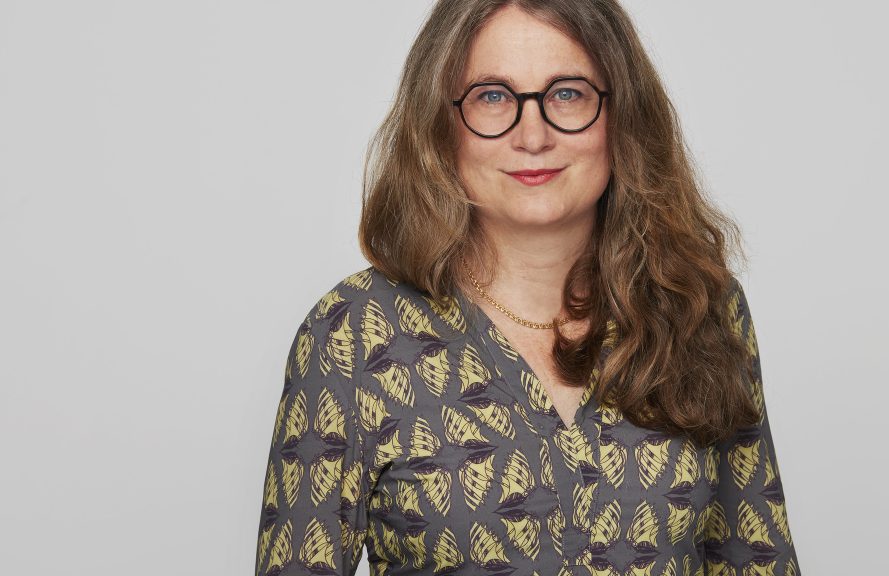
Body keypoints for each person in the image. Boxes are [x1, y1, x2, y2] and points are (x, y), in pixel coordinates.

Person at [254, 1, 801, 575]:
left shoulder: (697, 306)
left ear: (622, 115)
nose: (533, 135)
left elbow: (756, 561)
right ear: (440, 124)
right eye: (493, 96)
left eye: (567, 93)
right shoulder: (354, 334)